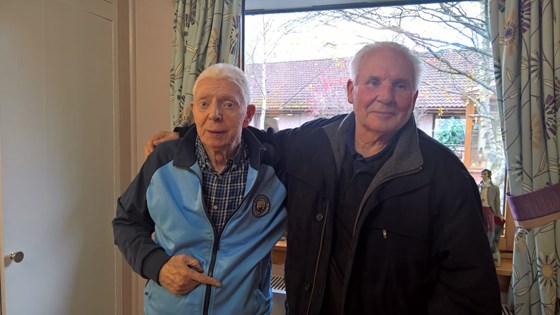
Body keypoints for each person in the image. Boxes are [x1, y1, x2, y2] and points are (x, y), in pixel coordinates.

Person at [146, 42, 502, 314]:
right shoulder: (313, 144)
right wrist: (187, 135)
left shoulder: (446, 177)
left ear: (414, 98)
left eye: (400, 85)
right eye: (373, 82)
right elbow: (256, 139)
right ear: (351, 91)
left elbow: (470, 293)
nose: (385, 96)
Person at [113, 63, 287, 314]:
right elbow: (126, 222)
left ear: (248, 114)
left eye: (228, 104)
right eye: (204, 104)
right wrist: (158, 267)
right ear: (194, 111)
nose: (214, 114)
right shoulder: (163, 159)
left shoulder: (276, 169)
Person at [479, 168, 503, 266]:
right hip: (480, 209)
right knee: (481, 227)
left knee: (491, 227)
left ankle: (490, 246)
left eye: (484, 174)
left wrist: (499, 214)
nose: (483, 176)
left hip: (489, 209)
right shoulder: (479, 186)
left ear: (488, 175)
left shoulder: (494, 188)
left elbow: (497, 203)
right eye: (482, 174)